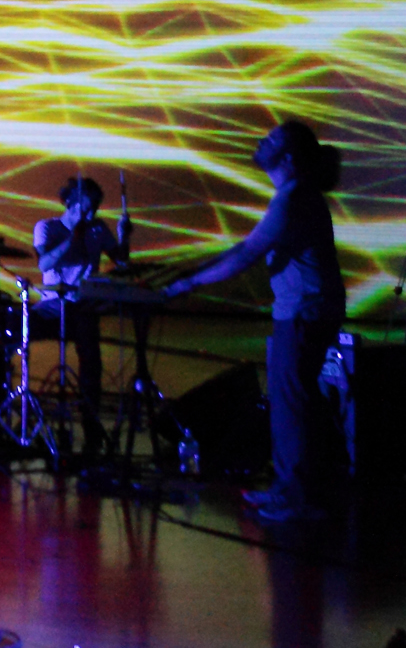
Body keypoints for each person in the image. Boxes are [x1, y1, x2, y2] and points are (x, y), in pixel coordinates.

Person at [164, 121, 345, 523]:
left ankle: (293, 498)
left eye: (273, 138)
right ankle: (291, 489)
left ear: (289, 157)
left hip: (304, 313)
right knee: (291, 402)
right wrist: (191, 270)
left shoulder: (293, 198)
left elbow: (247, 255)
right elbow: (247, 247)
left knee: (289, 406)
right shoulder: (294, 195)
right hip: (305, 311)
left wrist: (188, 283)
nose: (262, 139)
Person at [30, 176, 130, 447]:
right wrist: (71, 238)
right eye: (84, 209)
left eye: (93, 210)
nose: (89, 215)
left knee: (91, 361)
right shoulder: (47, 227)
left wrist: (123, 237)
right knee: (15, 328)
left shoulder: (97, 229)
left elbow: (121, 261)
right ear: (70, 204)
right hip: (52, 305)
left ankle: (91, 427)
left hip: (82, 306)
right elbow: (44, 263)